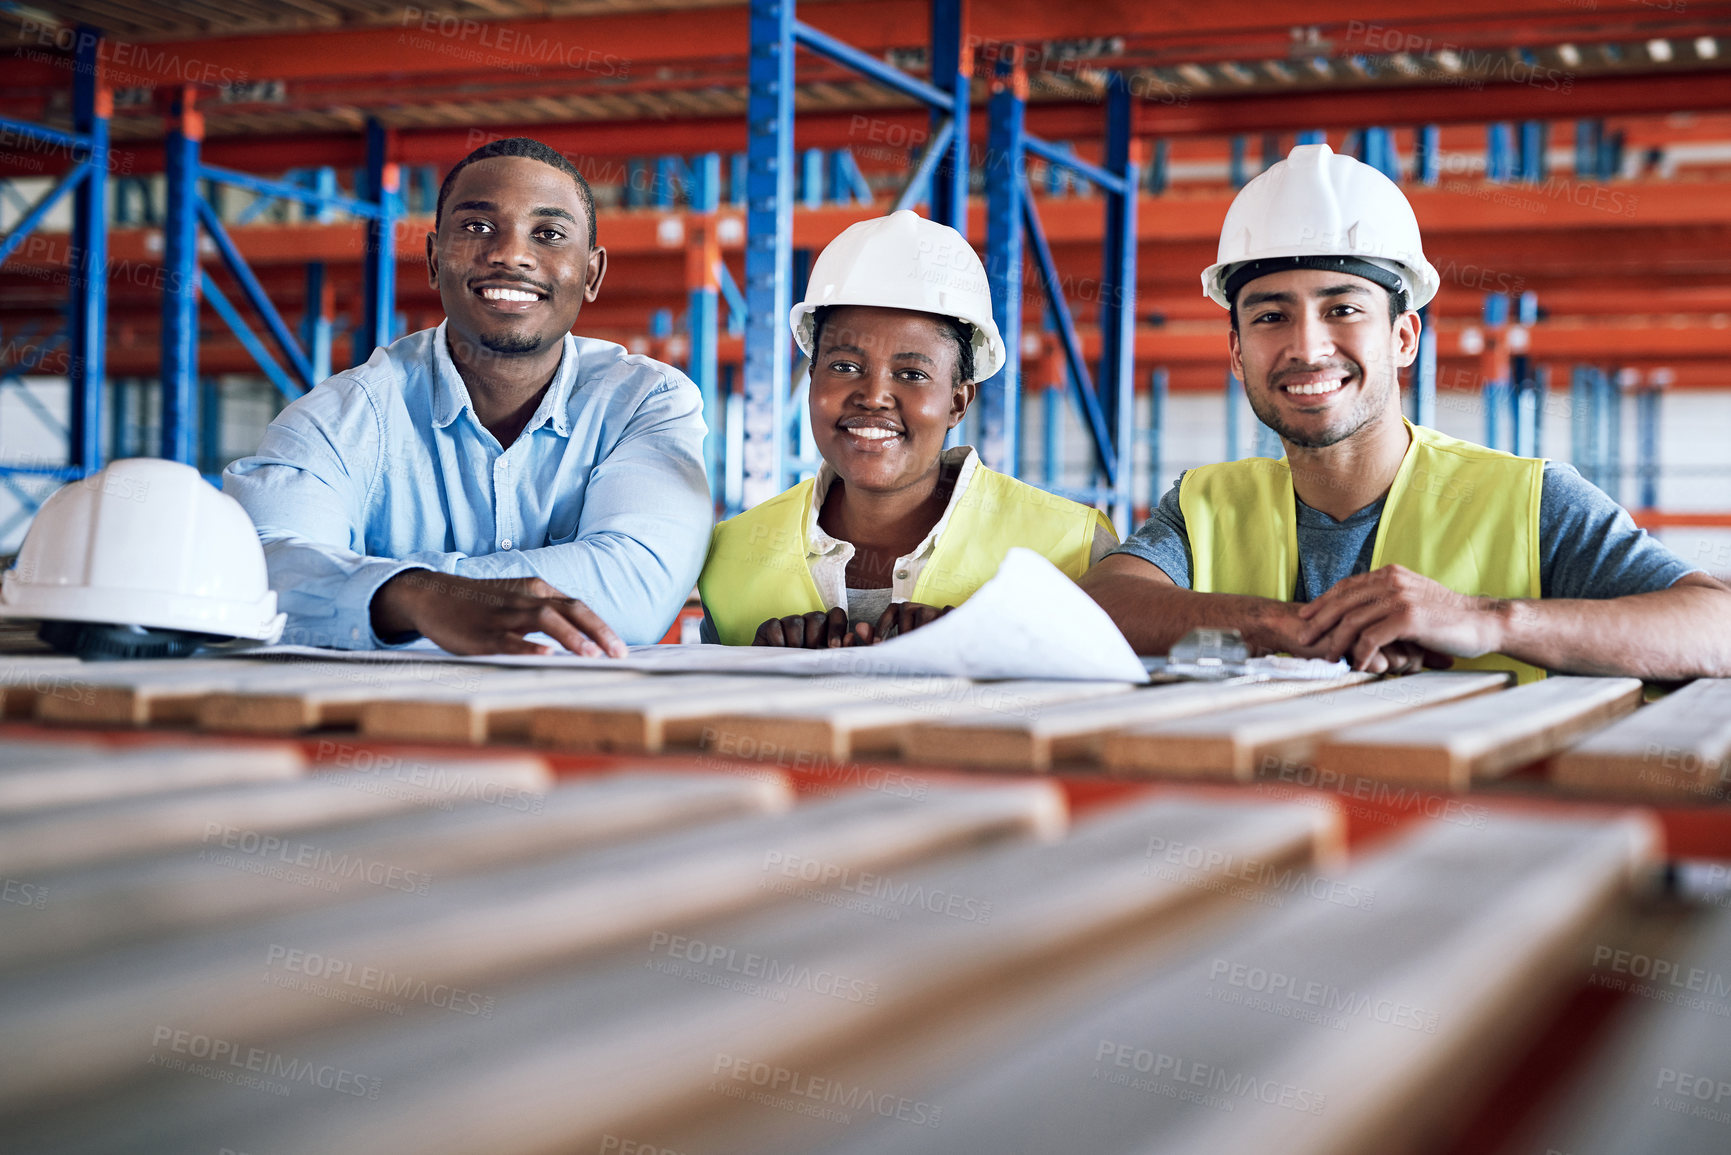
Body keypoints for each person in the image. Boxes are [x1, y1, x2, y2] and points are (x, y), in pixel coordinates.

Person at [1081, 143, 1731, 681]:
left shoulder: (1526, 500)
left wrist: (1487, 619)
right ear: (1236, 352)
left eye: (1343, 309)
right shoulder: (1203, 505)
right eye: (1270, 316)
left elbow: (1716, 628)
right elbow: (1099, 604)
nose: (1306, 347)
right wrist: (1276, 625)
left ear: (1402, 339)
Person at [223, 137, 711, 656]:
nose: (511, 255)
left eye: (548, 234)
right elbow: (256, 569)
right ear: (434, 260)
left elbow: (636, 588)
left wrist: (404, 596)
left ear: (591, 274)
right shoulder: (343, 416)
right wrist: (413, 600)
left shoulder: (645, 401)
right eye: (478, 228)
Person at [699, 210, 1117, 647]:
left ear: (958, 401)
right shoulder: (731, 554)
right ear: (812, 381)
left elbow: (1122, 710)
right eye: (844, 366)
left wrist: (992, 659)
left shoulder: (1073, 549)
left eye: (912, 374)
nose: (874, 395)